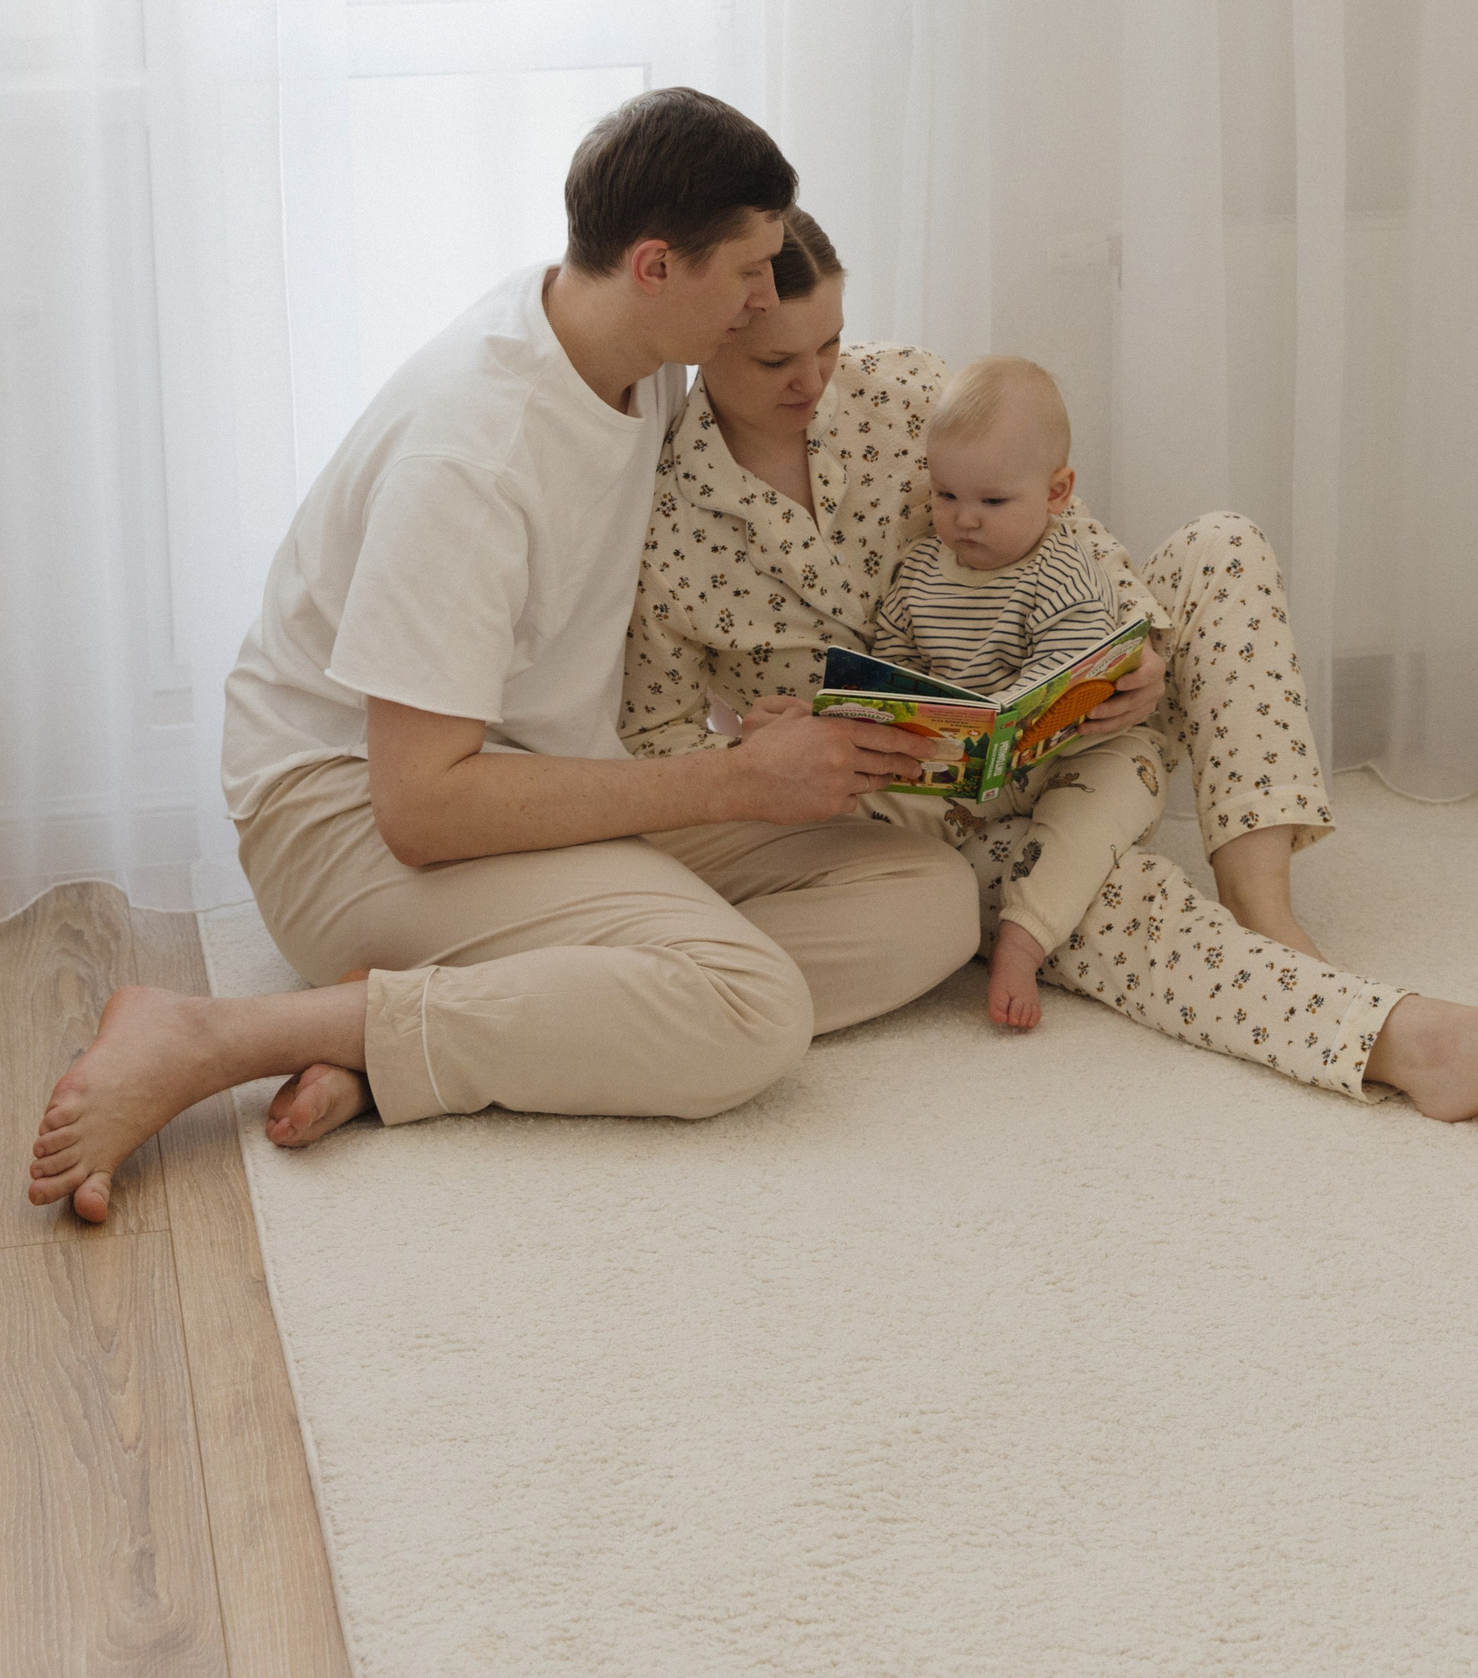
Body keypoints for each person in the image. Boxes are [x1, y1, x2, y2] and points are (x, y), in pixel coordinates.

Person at [27, 92, 977, 1225]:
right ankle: (223, 1034)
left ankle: (407, 1025)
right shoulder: (473, 456)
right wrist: (730, 779)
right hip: (345, 816)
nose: (765, 300)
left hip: (533, 774)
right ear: (656, 265)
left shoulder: (631, 345)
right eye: (748, 273)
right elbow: (420, 808)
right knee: (749, 1008)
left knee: (931, 896)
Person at [623, 210, 1478, 1118]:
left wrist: (1142, 642)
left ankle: (1266, 908)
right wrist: (756, 759)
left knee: (1224, 545)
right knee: (1095, 903)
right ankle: (1406, 1041)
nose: (814, 380)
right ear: (711, 337)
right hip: (922, 816)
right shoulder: (666, 519)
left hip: (1084, 728)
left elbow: (1062, 527)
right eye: (777, 361)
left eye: (830, 343)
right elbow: (659, 750)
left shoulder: (908, 392)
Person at [868, 353, 1164, 1031]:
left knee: (1100, 809)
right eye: (946, 496)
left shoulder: (1063, 567)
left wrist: (1011, 715)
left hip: (1080, 752)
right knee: (864, 799)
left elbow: (1071, 665)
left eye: (992, 501)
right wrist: (895, 707)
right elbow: (894, 659)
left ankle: (1024, 940)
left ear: (1057, 493)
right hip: (972, 769)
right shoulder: (920, 570)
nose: (964, 519)